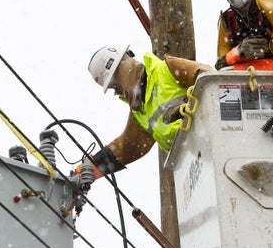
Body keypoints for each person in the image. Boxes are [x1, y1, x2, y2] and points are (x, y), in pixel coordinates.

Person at [82, 45, 212, 177]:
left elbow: (209, 79)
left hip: (216, 139)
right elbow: (125, 149)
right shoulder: (141, 114)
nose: (117, 91)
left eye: (113, 85)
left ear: (121, 70)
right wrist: (87, 169)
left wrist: (192, 108)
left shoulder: (165, 70)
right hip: (198, 168)